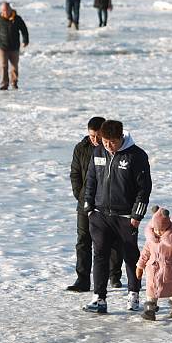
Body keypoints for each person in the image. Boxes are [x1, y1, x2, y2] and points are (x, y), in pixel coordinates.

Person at [83, 120, 152, 314]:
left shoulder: (136, 155)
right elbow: (91, 180)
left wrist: (137, 215)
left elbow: (144, 189)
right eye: (105, 141)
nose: (107, 145)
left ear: (121, 138)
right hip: (100, 215)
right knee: (100, 255)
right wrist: (89, 208)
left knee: (130, 256)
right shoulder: (98, 152)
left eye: (112, 142)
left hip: (125, 216)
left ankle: (133, 294)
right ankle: (99, 298)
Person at [69, 116, 125, 292]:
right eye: (91, 136)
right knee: (83, 241)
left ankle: (114, 275)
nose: (94, 140)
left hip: (107, 204)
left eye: (97, 136)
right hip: (85, 203)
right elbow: (75, 174)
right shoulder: (81, 148)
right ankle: (83, 279)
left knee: (113, 241)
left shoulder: (109, 149)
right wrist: (81, 196)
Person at [137, 207, 172, 321]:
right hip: (153, 270)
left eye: (161, 230)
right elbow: (145, 252)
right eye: (156, 229)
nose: (158, 232)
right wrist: (140, 265)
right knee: (151, 289)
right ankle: (150, 310)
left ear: (168, 227)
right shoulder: (151, 239)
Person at [0, 1, 29, 90]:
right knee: (3, 66)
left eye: (7, 10)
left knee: (14, 66)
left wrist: (25, 41)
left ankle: (14, 83)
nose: (5, 12)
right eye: (3, 11)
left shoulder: (17, 19)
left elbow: (24, 30)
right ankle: (4, 84)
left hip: (14, 47)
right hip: (3, 47)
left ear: (10, 9)